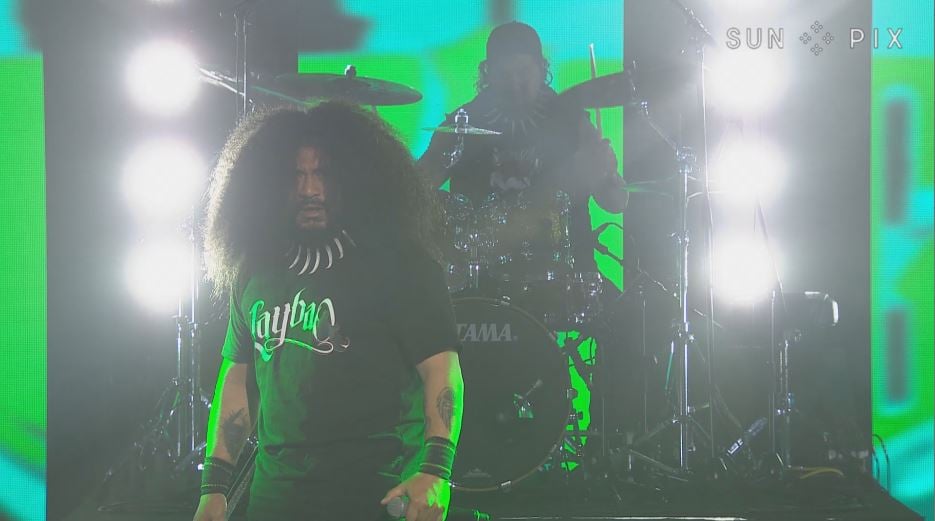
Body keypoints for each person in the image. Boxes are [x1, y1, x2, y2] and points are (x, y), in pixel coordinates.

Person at [193, 102, 464, 521]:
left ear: (354, 177)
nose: (309, 190)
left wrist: (435, 471)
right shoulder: (254, 270)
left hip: (376, 497)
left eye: (323, 174)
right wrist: (214, 490)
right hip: (275, 501)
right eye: (295, 175)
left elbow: (441, 371)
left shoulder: (401, 266)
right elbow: (237, 384)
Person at [418, 21, 627, 278]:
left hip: (565, 277)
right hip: (485, 278)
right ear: (488, 72)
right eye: (504, 74)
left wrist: (607, 174)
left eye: (523, 72)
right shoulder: (461, 125)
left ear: (541, 68)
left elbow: (615, 203)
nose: (514, 84)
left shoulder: (572, 120)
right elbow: (415, 189)